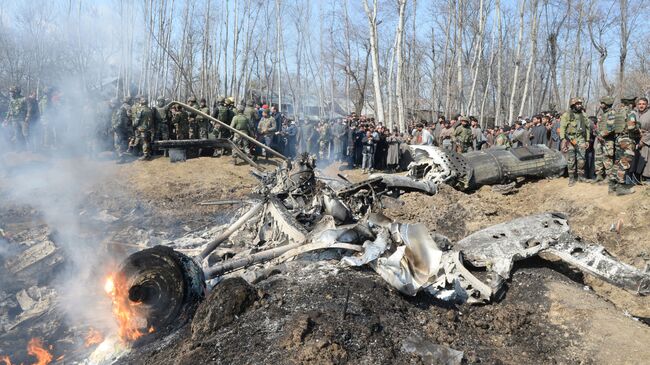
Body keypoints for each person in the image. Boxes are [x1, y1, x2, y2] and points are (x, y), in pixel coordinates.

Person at [606, 95, 639, 195]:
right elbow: (631, 127)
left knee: (617, 162)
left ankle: (612, 187)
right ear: (631, 103)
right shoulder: (631, 112)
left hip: (618, 139)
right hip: (627, 139)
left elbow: (609, 126)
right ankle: (621, 187)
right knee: (625, 162)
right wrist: (638, 130)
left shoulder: (616, 112)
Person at [560, 97, 590, 186]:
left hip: (581, 139)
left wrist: (587, 140)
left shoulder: (584, 115)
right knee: (571, 160)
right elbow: (562, 128)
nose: (579, 105)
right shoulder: (566, 115)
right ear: (573, 105)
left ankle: (581, 177)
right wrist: (563, 139)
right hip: (571, 139)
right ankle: (571, 179)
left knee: (581, 160)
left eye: (580, 104)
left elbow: (587, 128)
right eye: (577, 104)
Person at [593, 96, 615, 184]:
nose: (601, 105)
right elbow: (598, 126)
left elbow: (611, 127)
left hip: (608, 140)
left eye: (602, 103)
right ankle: (599, 176)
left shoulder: (612, 113)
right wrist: (597, 134)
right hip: (600, 140)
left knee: (607, 158)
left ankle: (609, 177)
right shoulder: (602, 114)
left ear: (607, 104)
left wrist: (602, 135)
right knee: (598, 157)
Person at [634, 97, 650, 182]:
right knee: (636, 161)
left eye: (643, 104)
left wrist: (643, 141)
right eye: (639, 104)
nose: (641, 106)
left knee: (646, 162)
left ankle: (647, 180)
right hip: (635, 140)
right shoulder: (634, 114)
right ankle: (637, 179)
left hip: (647, 142)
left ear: (647, 105)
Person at [112, 96, 132, 163]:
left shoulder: (120, 111)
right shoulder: (118, 110)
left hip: (119, 130)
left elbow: (120, 122)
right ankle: (121, 156)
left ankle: (122, 158)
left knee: (118, 144)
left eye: (113, 103)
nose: (112, 105)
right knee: (119, 144)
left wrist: (114, 127)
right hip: (119, 130)